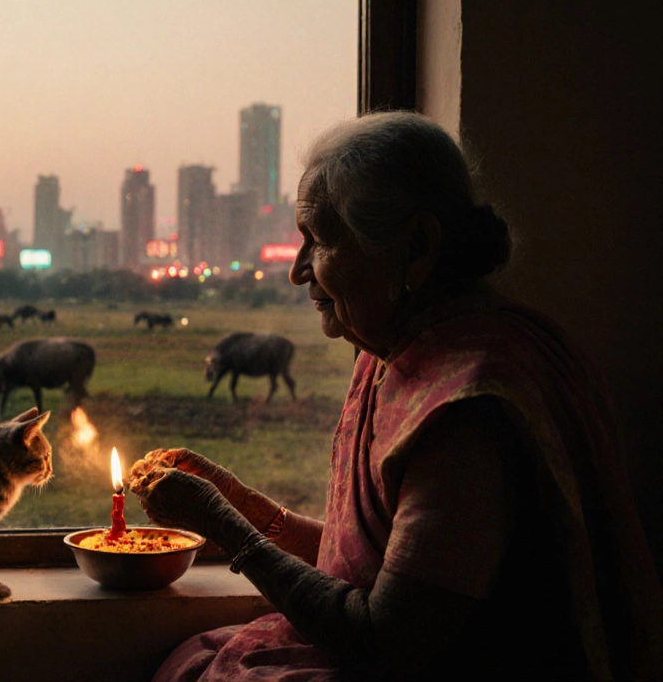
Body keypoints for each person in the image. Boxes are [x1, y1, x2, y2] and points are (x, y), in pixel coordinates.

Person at [129, 111, 662, 681]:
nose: (298, 271)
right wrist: (241, 502)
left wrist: (221, 523)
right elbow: (363, 565)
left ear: (417, 247)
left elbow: (386, 638)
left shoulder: (468, 411)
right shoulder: (394, 351)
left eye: (321, 239)